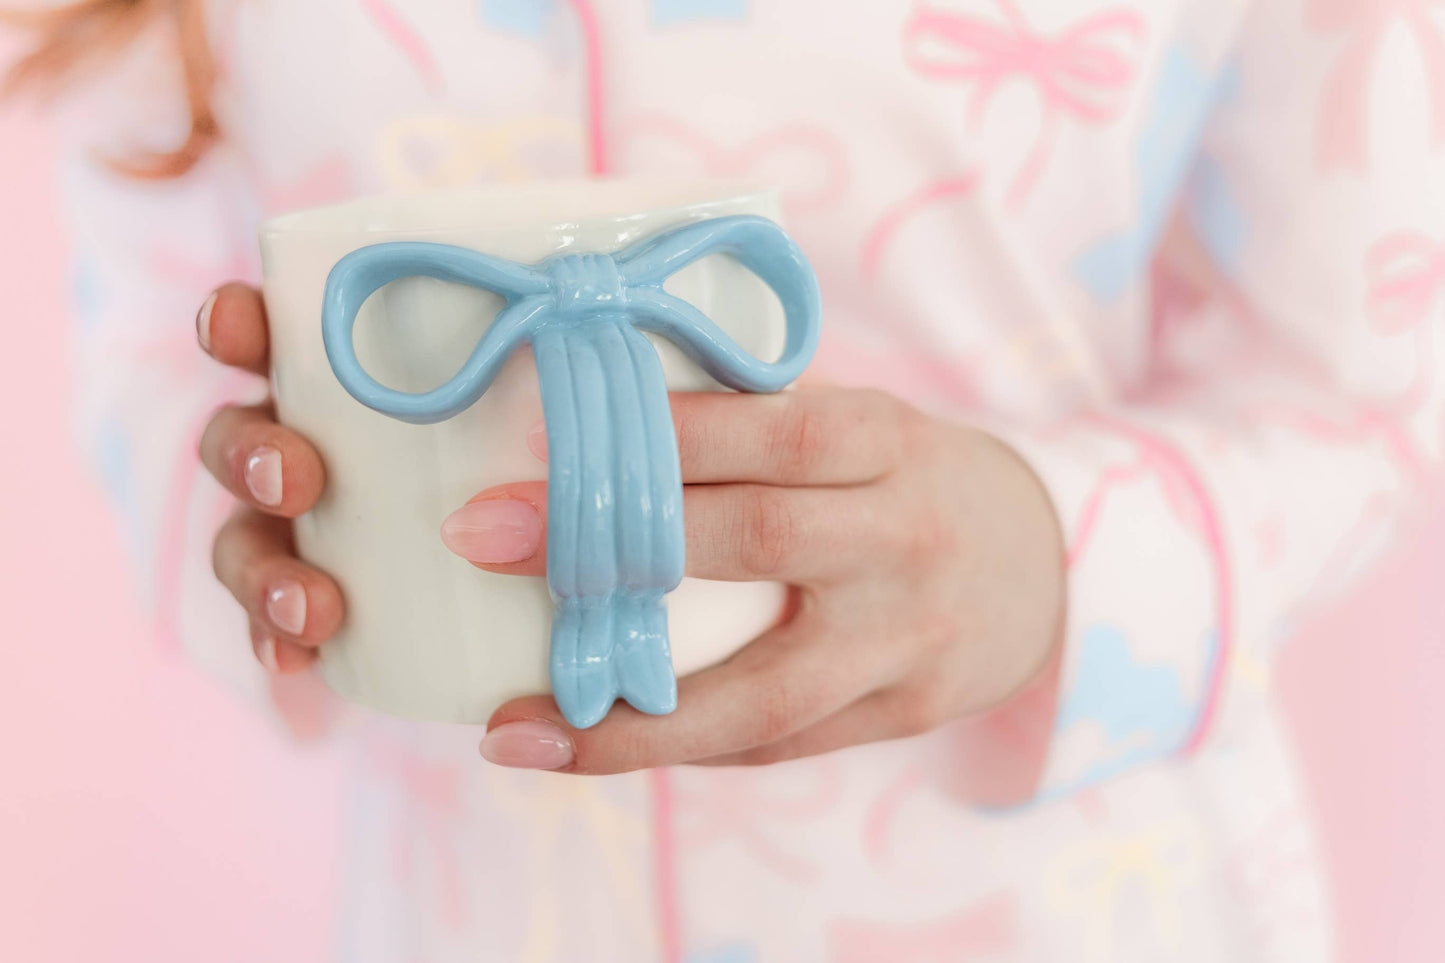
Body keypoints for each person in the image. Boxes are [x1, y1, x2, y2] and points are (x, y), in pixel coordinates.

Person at [8, 0, 1441, 959]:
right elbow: (147, 313)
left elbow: (1362, 379)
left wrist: (1058, 558)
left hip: (1064, 903)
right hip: (472, 912)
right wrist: (253, 523)